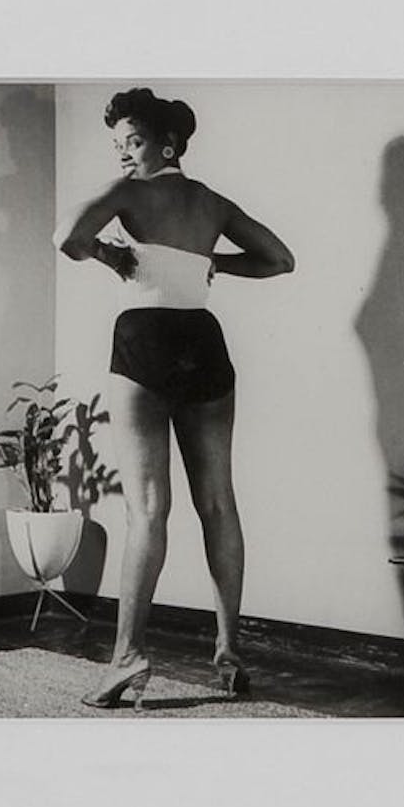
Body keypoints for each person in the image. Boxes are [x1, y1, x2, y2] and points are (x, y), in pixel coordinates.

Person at [53, 87, 294, 710]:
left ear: (167, 146)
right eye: (118, 145)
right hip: (203, 342)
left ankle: (128, 656)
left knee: (147, 510)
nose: (123, 155)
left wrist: (107, 253)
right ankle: (229, 653)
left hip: (145, 339)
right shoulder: (212, 202)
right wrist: (214, 261)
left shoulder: (129, 192)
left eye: (132, 143)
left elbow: (67, 236)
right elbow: (279, 259)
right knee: (218, 503)